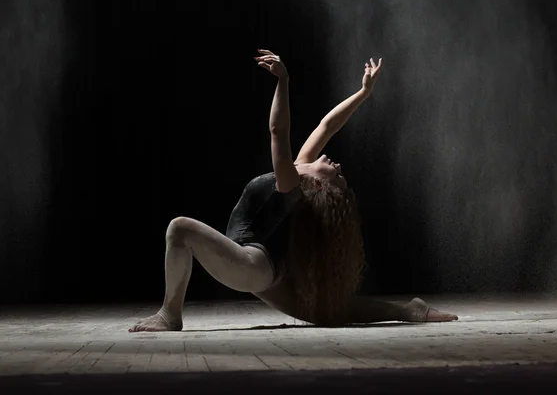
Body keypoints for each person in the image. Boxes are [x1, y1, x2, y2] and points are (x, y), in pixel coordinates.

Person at [129, 49, 457, 332]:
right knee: (331, 314)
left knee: (179, 228)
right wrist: (363, 94)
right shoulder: (301, 168)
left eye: (336, 176)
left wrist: (283, 81)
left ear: (317, 184)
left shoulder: (291, 184)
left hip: (252, 264)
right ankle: (410, 309)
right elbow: (327, 127)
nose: (338, 167)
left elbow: (278, 130)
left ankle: (170, 314)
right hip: (265, 273)